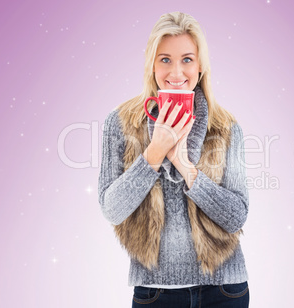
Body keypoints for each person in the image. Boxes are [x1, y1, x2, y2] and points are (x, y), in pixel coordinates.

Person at [98, 11, 250, 308]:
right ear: (151, 65)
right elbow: (112, 210)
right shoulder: (120, 123)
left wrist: (186, 167)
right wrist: (154, 153)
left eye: (187, 59)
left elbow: (237, 216)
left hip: (225, 291)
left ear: (201, 66)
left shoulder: (226, 126)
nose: (176, 73)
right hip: (155, 294)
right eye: (165, 59)